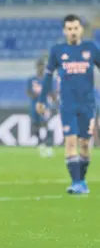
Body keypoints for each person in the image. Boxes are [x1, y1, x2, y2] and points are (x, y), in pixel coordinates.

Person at [37, 14, 100, 194]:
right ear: (65, 31)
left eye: (75, 28)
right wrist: (42, 99)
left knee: (85, 144)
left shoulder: (92, 49)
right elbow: (48, 76)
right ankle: (76, 183)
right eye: (69, 29)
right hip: (68, 104)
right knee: (71, 141)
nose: (72, 32)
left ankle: (82, 180)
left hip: (88, 105)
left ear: (81, 29)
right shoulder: (57, 50)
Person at [27, 57, 54, 157]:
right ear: (36, 67)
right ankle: (39, 143)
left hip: (45, 106)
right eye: (39, 66)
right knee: (36, 125)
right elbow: (28, 92)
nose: (41, 68)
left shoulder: (47, 80)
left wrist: (54, 98)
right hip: (34, 105)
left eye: (42, 66)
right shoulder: (32, 80)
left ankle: (48, 144)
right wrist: (38, 95)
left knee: (46, 124)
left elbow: (51, 92)